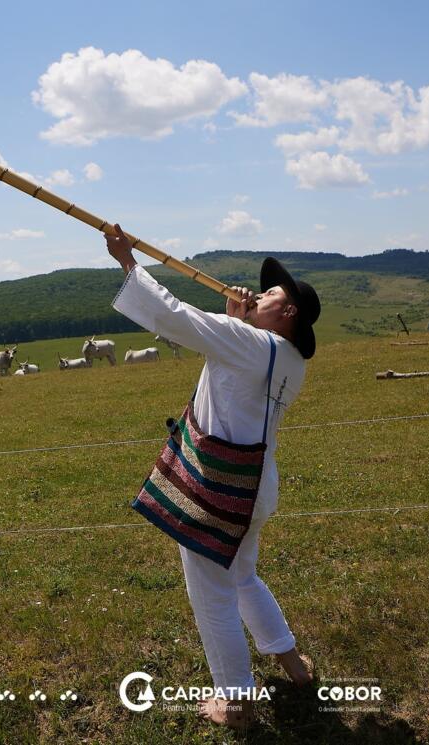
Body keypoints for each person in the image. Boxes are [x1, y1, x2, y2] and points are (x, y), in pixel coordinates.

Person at [106, 224, 320, 730]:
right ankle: (293, 665)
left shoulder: (250, 344)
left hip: (219, 490)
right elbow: (228, 365)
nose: (258, 293)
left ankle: (238, 705)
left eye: (269, 293)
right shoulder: (287, 358)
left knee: (213, 595)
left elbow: (174, 318)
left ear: (286, 312)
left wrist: (127, 262)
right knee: (241, 576)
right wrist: (237, 320)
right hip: (255, 487)